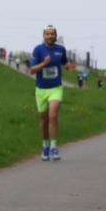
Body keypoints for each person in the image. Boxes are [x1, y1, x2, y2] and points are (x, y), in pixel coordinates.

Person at [29, 25, 76, 160]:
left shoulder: (60, 50)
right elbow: (32, 70)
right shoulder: (38, 50)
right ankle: (45, 146)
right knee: (44, 120)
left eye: (52, 34)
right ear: (44, 35)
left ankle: (54, 147)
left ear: (56, 36)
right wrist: (43, 64)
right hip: (41, 89)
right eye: (48, 34)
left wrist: (69, 66)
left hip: (56, 88)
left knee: (53, 115)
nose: (50, 36)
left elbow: (64, 63)